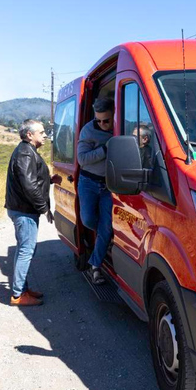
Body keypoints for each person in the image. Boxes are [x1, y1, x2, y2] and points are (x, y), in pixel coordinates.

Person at [5, 119, 62, 306]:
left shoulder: (26, 151)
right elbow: (29, 186)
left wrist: (49, 179)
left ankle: (22, 288)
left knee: (24, 249)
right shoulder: (25, 154)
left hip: (23, 209)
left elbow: (31, 179)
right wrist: (44, 209)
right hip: (24, 211)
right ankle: (18, 294)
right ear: (29, 135)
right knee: (25, 251)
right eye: (41, 132)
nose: (45, 135)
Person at [77, 97, 114, 285]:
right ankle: (104, 239)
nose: (102, 124)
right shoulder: (88, 130)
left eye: (106, 120)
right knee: (88, 220)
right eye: (98, 120)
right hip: (88, 182)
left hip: (109, 186)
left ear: (114, 115)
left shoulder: (122, 127)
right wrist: (105, 150)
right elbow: (82, 159)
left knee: (106, 229)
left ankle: (95, 266)